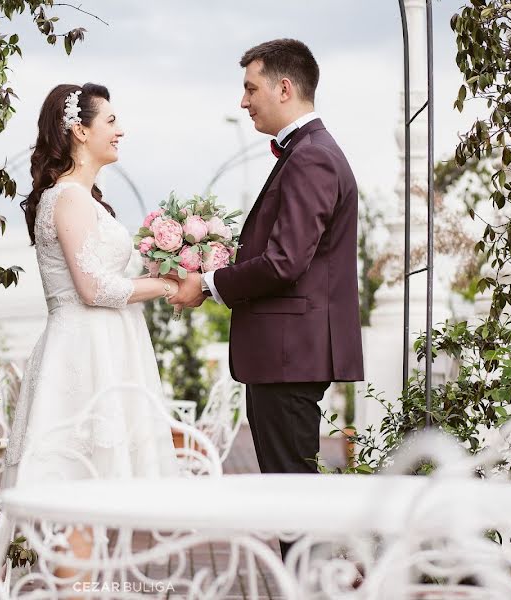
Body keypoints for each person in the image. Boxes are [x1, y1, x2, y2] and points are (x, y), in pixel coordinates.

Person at [166, 39, 365, 557]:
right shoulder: (309, 153)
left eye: (251, 88)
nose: (244, 101)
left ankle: (309, 589)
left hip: (288, 355)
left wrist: (210, 284)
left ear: (284, 87)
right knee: (291, 493)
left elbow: (284, 262)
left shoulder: (312, 158)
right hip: (288, 353)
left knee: (291, 497)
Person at [2, 83, 179, 491]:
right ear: (80, 131)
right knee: (77, 491)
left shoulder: (82, 198)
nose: (121, 131)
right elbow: (93, 289)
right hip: (83, 350)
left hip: (105, 345)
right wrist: (166, 286)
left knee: (99, 494)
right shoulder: (68, 198)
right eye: (111, 121)